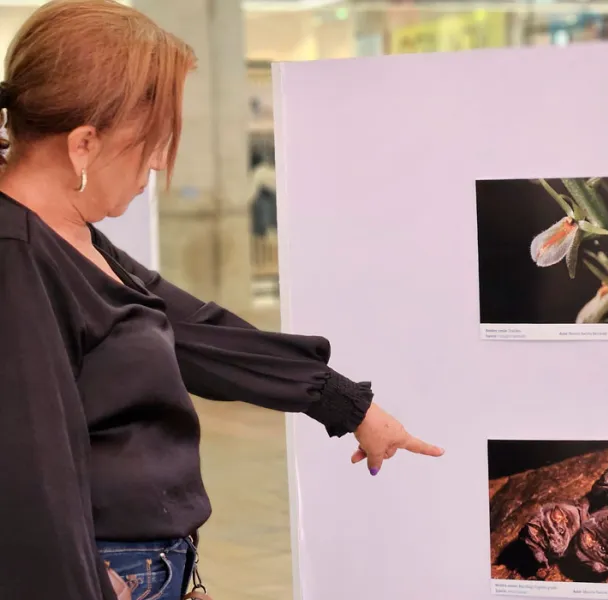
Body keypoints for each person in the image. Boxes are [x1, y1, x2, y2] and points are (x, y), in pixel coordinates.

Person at [0, 2, 443, 600]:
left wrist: (345, 404)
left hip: (147, 566)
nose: (159, 162)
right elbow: (28, 469)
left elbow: (198, 332)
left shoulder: (72, 234)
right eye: (152, 142)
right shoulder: (17, 257)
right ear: (83, 144)